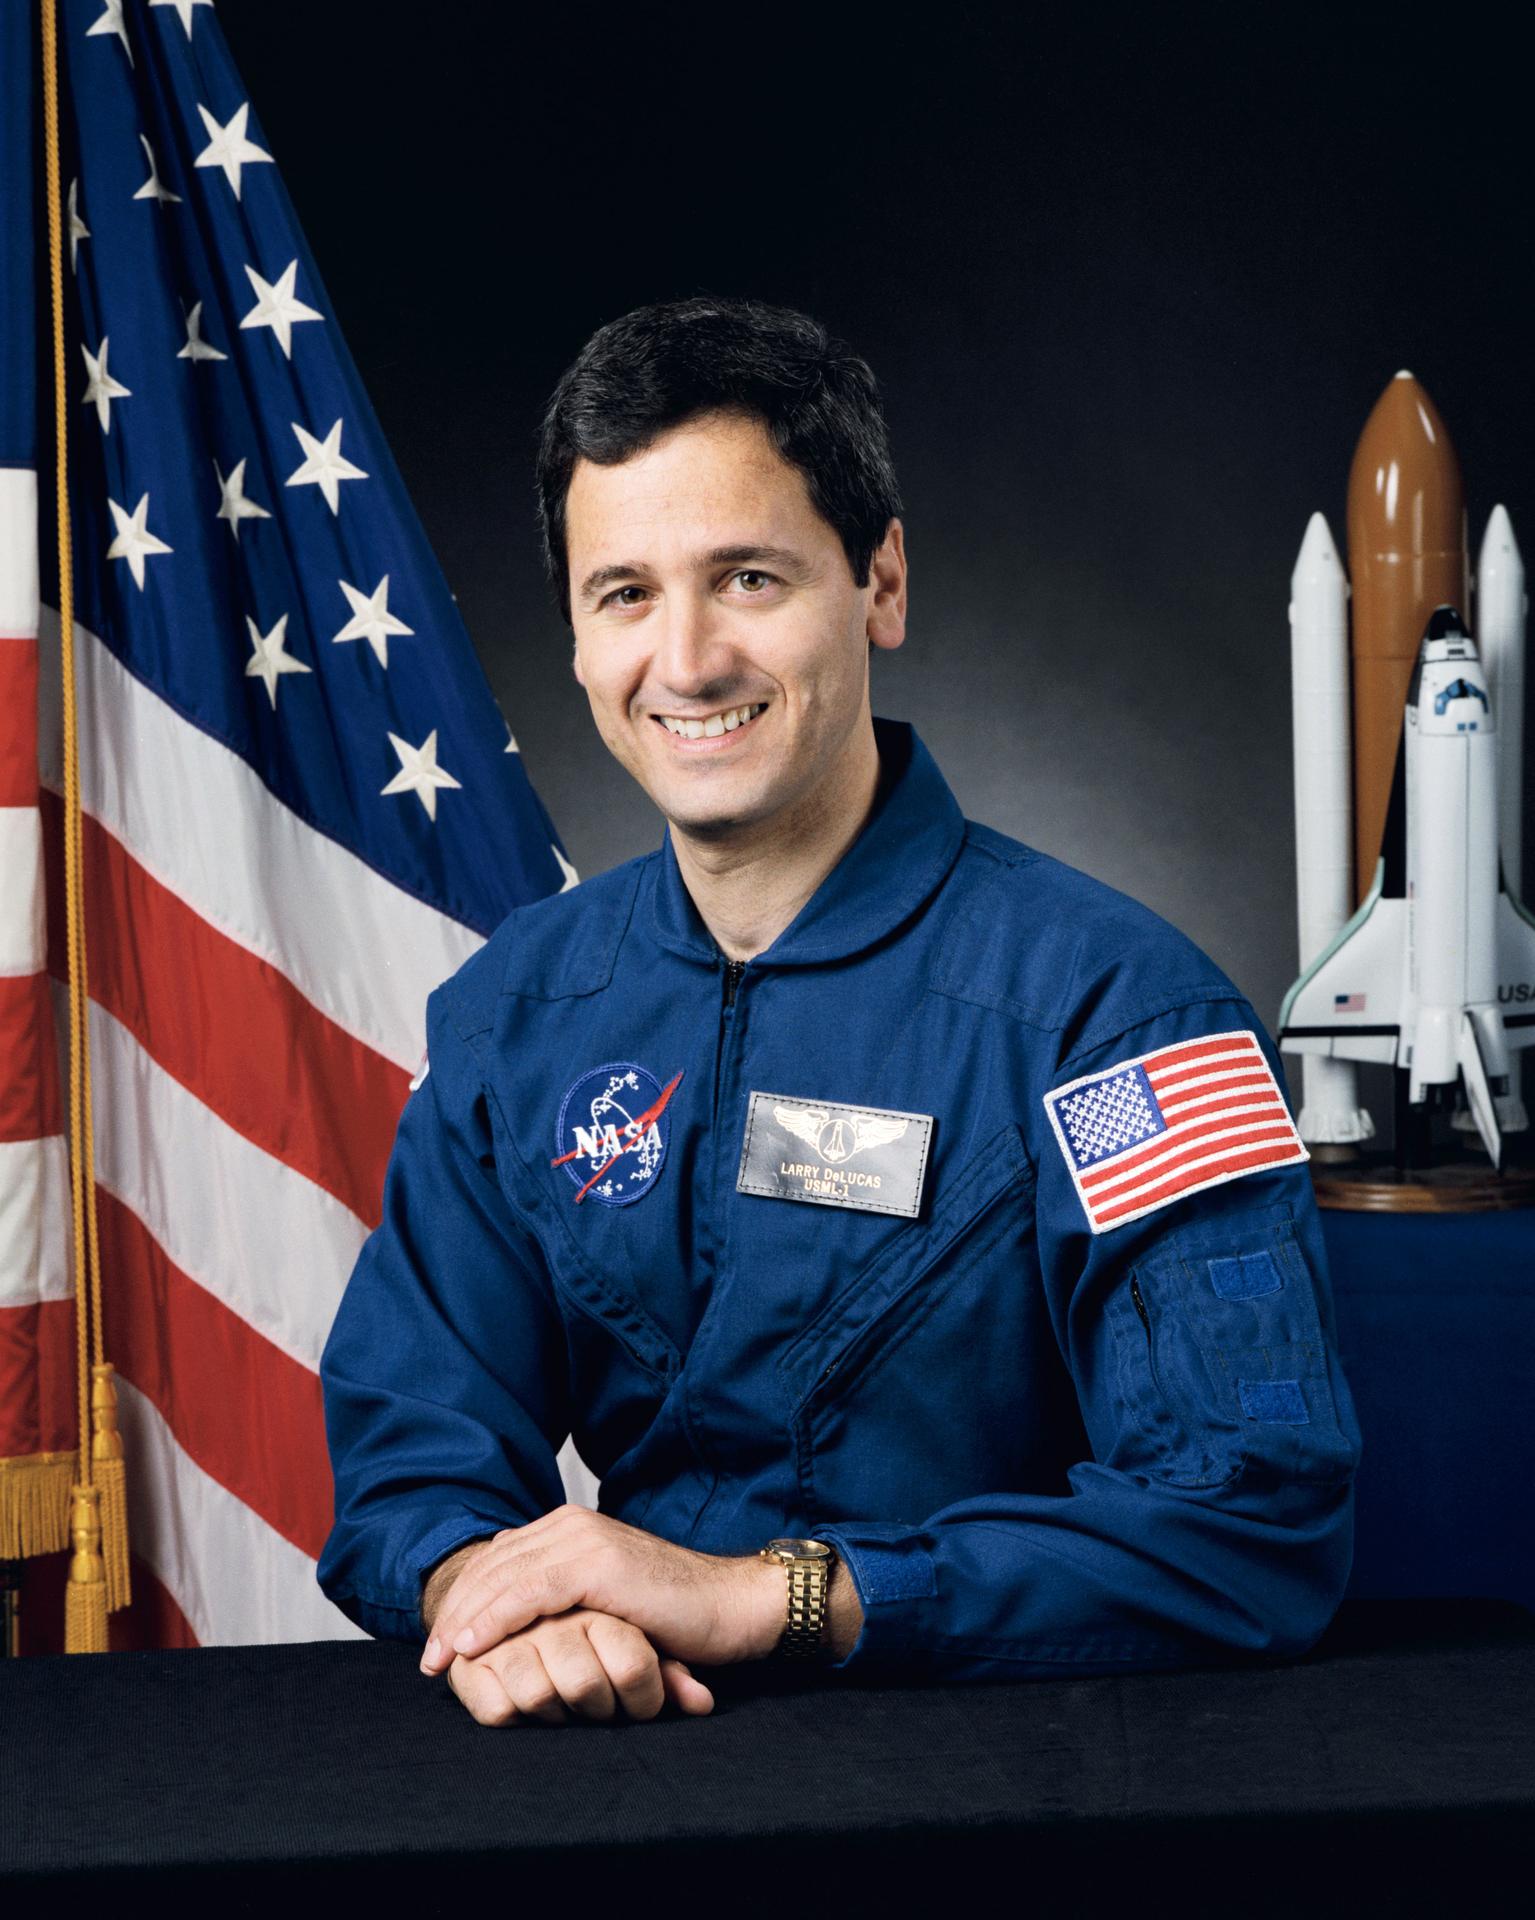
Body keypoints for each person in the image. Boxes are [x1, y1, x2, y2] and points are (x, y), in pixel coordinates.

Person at [317, 296, 1362, 1729]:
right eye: (624, 593)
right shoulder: (519, 1017)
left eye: (747, 579)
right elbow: (414, 1443)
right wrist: (483, 1596)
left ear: (880, 584)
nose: (683, 663)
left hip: (1021, 1781)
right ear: (572, 634)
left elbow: (1251, 1524)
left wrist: (772, 1599)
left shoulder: (1121, 1023)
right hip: (622, 1774)